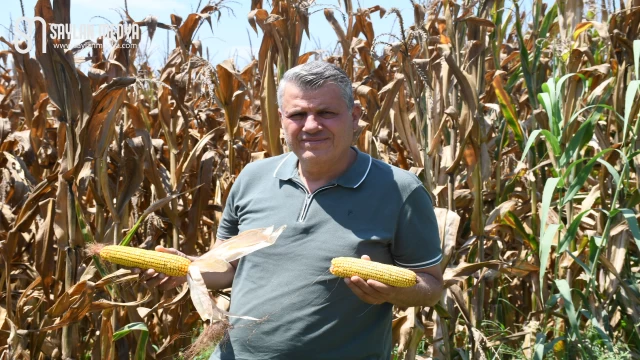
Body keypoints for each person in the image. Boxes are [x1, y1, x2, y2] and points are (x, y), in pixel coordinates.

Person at [141, 61, 444, 359]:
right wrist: (189, 269)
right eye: (298, 114)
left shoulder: (400, 189)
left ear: (354, 117)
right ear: (282, 120)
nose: (311, 125)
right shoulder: (252, 178)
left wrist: (394, 291)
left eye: (326, 113)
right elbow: (230, 266)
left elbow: (430, 286)